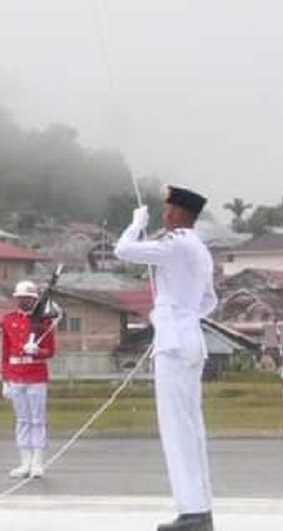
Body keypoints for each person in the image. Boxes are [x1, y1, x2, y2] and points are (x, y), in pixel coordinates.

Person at [114, 186, 218, 531]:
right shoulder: (200, 249)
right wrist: (170, 312)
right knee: (191, 426)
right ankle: (200, 508)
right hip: (189, 337)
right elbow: (207, 302)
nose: (163, 214)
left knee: (176, 428)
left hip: (174, 345)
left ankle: (192, 512)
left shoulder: (178, 243)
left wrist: (134, 224)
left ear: (178, 213)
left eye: (166, 209)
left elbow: (123, 249)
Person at [0, 280, 56, 479]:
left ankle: (37, 462)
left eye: (28, 298)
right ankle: (25, 462)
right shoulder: (8, 320)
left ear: (34, 300)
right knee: (22, 420)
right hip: (16, 374)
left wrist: (38, 351)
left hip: (36, 375)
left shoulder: (44, 322)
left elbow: (51, 351)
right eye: (21, 298)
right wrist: (5, 379)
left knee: (37, 420)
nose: (24, 301)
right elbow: (5, 352)